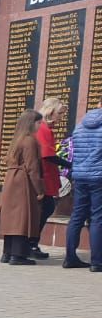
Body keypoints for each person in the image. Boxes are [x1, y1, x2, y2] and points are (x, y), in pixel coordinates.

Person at [0, 110, 46, 266]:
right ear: (31, 123)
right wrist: (40, 190)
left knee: (11, 218)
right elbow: (32, 168)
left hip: (12, 179)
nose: (40, 125)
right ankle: (18, 255)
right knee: (21, 218)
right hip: (23, 182)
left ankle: (7, 252)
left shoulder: (17, 139)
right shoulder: (30, 141)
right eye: (38, 122)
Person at [63, 101, 102, 271]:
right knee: (97, 217)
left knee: (77, 216)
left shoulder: (79, 127)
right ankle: (97, 261)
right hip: (98, 177)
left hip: (79, 176)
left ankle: (70, 257)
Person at [31, 98, 70, 259]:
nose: (61, 117)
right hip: (44, 176)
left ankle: (32, 243)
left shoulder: (42, 128)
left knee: (44, 209)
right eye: (60, 113)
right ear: (51, 111)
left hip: (45, 175)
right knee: (44, 209)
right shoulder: (44, 129)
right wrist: (69, 164)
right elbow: (48, 155)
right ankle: (32, 244)